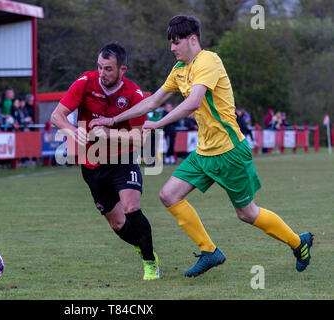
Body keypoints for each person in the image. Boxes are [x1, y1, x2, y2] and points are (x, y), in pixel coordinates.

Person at [90, 15, 313, 277]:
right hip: (204, 153)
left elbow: (194, 101)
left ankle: (299, 243)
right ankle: (209, 251)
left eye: (176, 42)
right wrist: (114, 119)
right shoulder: (179, 69)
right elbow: (152, 102)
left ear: (192, 39)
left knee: (247, 213)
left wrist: (158, 124)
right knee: (168, 195)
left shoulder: (209, 61)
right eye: (170, 43)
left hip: (230, 152)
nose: (172, 48)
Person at [50, 42, 160, 280]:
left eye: (108, 69)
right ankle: (143, 246)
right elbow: (56, 116)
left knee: (131, 208)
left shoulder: (134, 94)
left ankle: (150, 263)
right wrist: (71, 130)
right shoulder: (85, 83)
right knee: (118, 225)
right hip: (91, 162)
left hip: (123, 159)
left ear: (123, 70)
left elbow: (141, 137)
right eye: (99, 67)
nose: (102, 73)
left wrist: (109, 133)